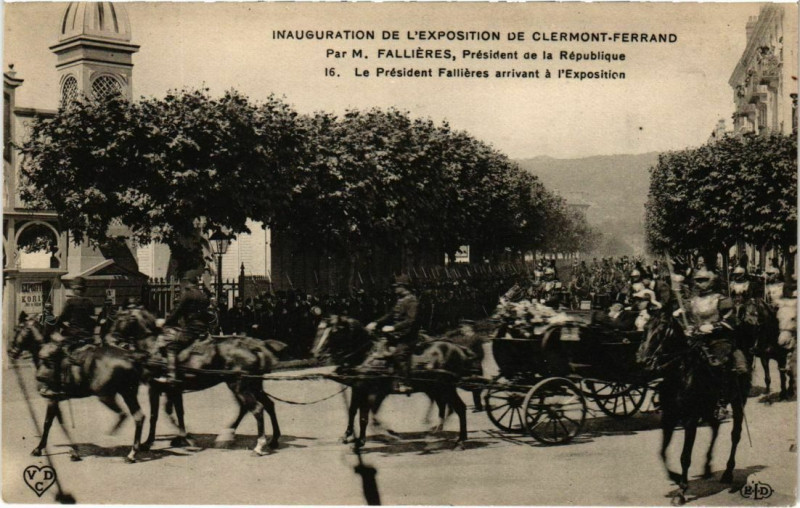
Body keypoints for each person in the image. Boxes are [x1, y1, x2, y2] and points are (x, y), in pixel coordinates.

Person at [678, 268, 748, 375]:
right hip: (695, 339)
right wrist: (687, 325)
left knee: (726, 367)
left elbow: (731, 321)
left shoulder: (722, 300)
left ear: (712, 281)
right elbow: (687, 319)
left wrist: (713, 326)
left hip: (718, 339)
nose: (699, 283)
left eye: (703, 280)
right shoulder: (691, 301)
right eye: (697, 280)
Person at [41, 277, 97, 397]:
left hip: (73, 337)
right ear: (84, 290)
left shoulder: (70, 302)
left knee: (55, 355)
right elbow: (93, 322)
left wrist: (62, 327)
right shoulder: (90, 303)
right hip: (88, 338)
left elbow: (61, 319)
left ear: (74, 289)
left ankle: (55, 387)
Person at [366, 274, 419, 391]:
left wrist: (393, 328)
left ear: (404, 287)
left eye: (397, 286)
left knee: (398, 355)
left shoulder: (412, 300)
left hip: (408, 336)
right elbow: (390, 315)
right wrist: (376, 323)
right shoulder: (401, 300)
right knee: (378, 349)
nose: (395, 289)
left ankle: (405, 383)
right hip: (398, 335)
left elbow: (410, 320)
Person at [160, 271, 210, 383]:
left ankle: (171, 375)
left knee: (172, 346)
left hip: (191, 327)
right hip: (202, 327)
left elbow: (178, 310)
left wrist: (166, 322)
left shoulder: (188, 294)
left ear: (188, 282)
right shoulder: (202, 295)